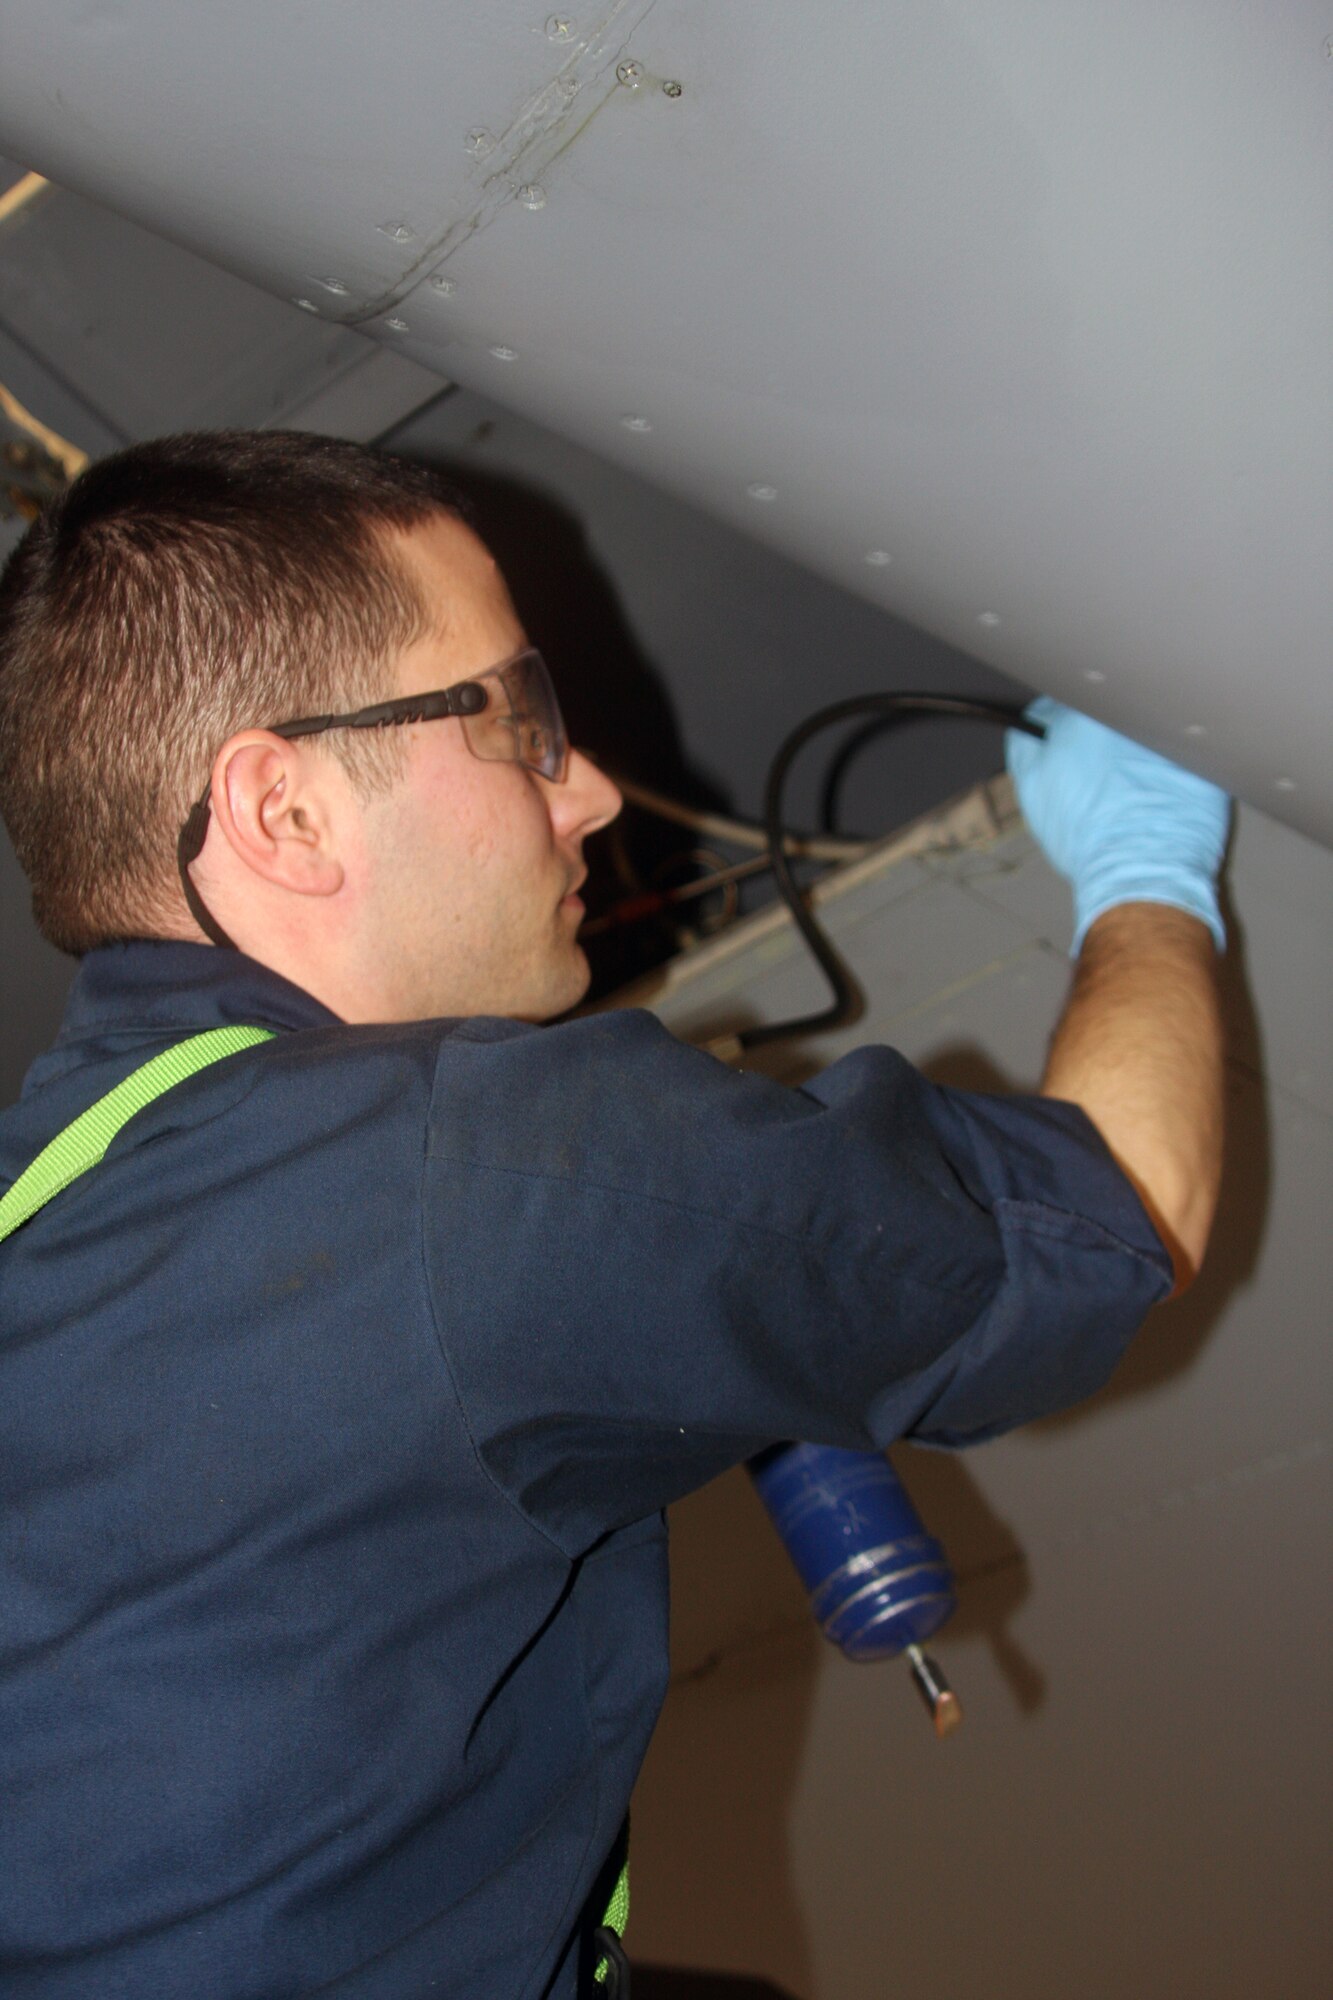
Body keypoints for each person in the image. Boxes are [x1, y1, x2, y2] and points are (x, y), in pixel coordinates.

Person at [0, 432, 1226, 1999]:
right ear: (284, 812)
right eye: (513, 718)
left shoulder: (47, 1222)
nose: (585, 789)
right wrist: (1148, 871)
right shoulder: (475, 1168)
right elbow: (1121, 1218)